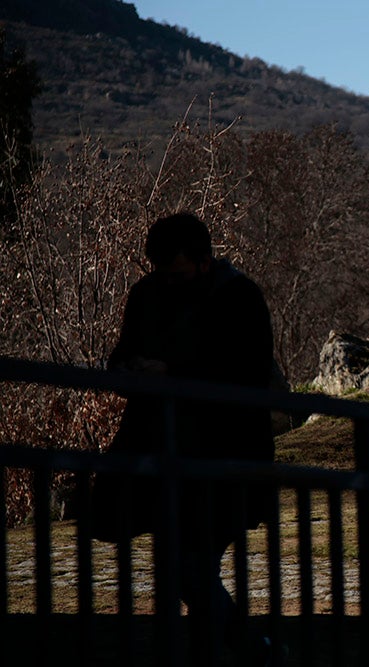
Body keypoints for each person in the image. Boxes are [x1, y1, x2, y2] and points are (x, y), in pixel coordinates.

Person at [97, 212, 283, 666]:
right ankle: (230, 650)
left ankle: (248, 650)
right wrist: (128, 370)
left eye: (179, 273)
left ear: (203, 262)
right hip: (166, 450)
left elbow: (249, 371)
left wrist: (172, 373)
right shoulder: (147, 294)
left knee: (190, 566)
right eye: (165, 273)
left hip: (224, 453)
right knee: (187, 567)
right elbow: (122, 352)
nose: (171, 281)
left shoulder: (238, 297)